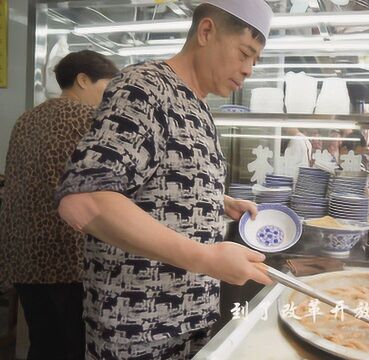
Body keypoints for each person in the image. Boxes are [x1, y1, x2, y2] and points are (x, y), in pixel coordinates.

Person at [55, 2, 274, 359]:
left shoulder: (199, 106)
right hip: (137, 332)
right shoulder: (144, 88)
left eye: (256, 60)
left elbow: (150, 179)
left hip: (190, 325)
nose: (249, 69)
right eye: (245, 53)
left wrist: (213, 200)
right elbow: (84, 200)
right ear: (206, 32)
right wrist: (207, 258)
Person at [0, 50, 118, 359]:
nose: (108, 98)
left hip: (23, 255)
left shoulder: (26, 119)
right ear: (82, 80)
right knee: (73, 345)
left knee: (43, 341)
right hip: (68, 257)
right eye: (106, 88)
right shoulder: (89, 119)